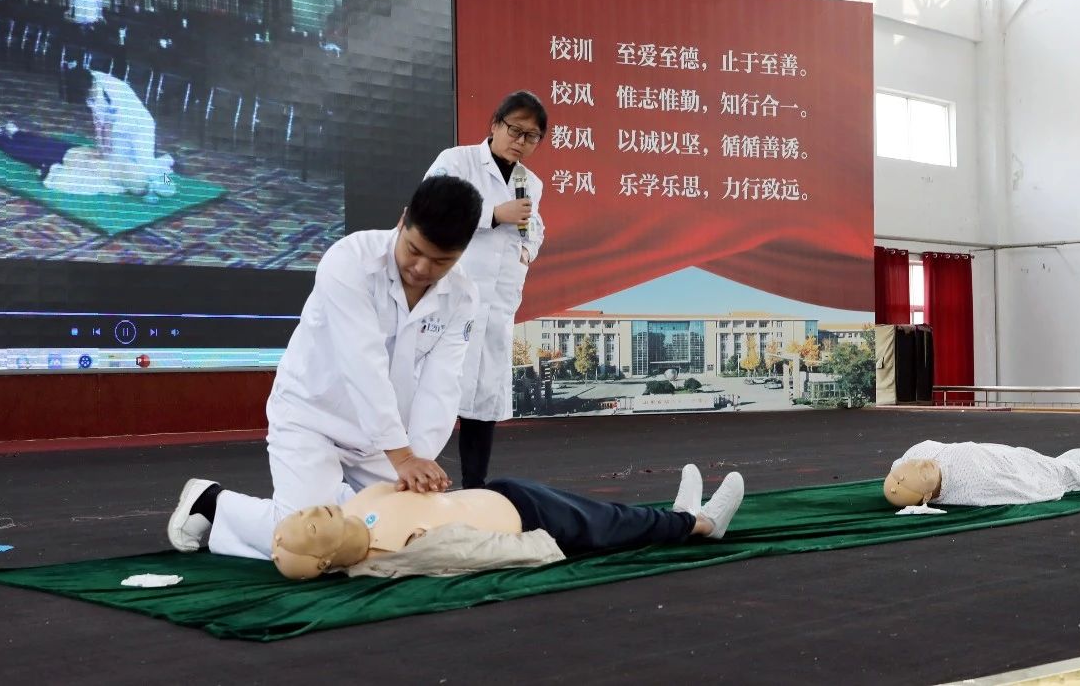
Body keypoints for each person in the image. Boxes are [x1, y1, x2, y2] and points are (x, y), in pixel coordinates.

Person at [167, 176, 484, 562]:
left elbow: (442, 383)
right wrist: (402, 458)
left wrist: (419, 457)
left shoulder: (462, 296)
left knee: (411, 536)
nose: (421, 268)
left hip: (383, 439)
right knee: (310, 544)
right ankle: (215, 505)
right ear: (403, 221)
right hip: (312, 417)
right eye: (414, 250)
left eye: (440, 262)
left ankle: (342, 503)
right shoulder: (350, 261)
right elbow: (362, 365)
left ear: (462, 253)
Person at [266, 463, 745, 579]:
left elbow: (419, 489)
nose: (312, 512)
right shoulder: (399, 553)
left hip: (504, 491)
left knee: (616, 517)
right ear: (324, 560)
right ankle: (702, 524)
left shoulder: (356, 505)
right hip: (534, 521)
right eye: (311, 527)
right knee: (614, 522)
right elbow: (483, 553)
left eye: (304, 513)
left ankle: (682, 517)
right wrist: (546, 545)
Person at [424, 91, 548, 488]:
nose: (521, 141)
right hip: (450, 302)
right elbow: (431, 209)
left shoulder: (530, 182)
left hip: (498, 307)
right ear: (495, 124)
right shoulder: (457, 161)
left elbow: (535, 227)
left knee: (482, 403)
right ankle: (409, 487)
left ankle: (474, 490)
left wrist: (527, 250)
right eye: (515, 130)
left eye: (531, 136)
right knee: (432, 398)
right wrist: (493, 214)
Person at [883, 441, 1080, 508]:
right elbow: (1016, 486)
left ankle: (1058, 463)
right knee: (1049, 472)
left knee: (1040, 461)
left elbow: (901, 467)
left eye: (914, 465)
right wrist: (1052, 481)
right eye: (923, 474)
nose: (921, 465)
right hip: (1008, 467)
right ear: (926, 497)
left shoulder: (916, 453)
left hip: (1003, 452)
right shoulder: (971, 487)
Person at [59, 66, 174, 197]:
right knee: (121, 163)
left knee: (146, 165)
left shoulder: (108, 90)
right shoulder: (87, 84)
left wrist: (105, 146)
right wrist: (100, 147)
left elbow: (108, 124)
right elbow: (98, 121)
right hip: (119, 129)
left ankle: (167, 178)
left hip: (139, 126)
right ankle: (154, 173)